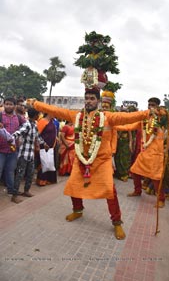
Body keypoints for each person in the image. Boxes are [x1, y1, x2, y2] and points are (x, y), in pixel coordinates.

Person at [27, 90, 150, 240]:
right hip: (81, 160)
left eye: (92, 98)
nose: (88, 101)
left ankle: (117, 222)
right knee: (74, 186)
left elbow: (128, 117)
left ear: (97, 101)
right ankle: (78, 210)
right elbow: (56, 110)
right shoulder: (76, 116)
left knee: (110, 191)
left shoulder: (108, 117)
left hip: (101, 162)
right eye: (86, 98)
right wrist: (36, 104)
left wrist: (148, 113)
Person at [115, 97, 169, 208]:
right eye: (149, 105)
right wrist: (114, 126)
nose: (150, 107)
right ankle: (137, 191)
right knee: (134, 171)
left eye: (152, 105)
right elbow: (129, 126)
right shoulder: (144, 119)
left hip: (156, 154)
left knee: (156, 178)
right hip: (145, 152)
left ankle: (161, 199)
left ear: (157, 106)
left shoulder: (164, 120)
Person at [10, 108, 48, 203]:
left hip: (30, 154)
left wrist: (44, 143)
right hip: (23, 154)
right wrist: (11, 138)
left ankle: (26, 191)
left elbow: (37, 136)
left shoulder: (34, 125)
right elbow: (19, 132)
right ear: (35, 116)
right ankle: (14, 196)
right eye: (38, 114)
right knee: (20, 174)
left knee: (30, 174)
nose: (39, 116)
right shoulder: (26, 125)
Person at [0, 97, 25, 195]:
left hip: (13, 149)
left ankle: (11, 190)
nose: (8, 106)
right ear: (4, 104)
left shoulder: (19, 118)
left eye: (11, 104)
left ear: (14, 106)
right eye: (6, 104)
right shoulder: (0, 116)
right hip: (1, 149)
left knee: (10, 171)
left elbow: (27, 126)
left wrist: (21, 136)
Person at [36, 113, 57, 186]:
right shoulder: (42, 121)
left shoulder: (52, 122)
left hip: (51, 146)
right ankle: (42, 180)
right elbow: (37, 134)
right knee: (44, 162)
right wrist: (41, 144)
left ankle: (49, 180)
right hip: (43, 146)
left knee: (50, 162)